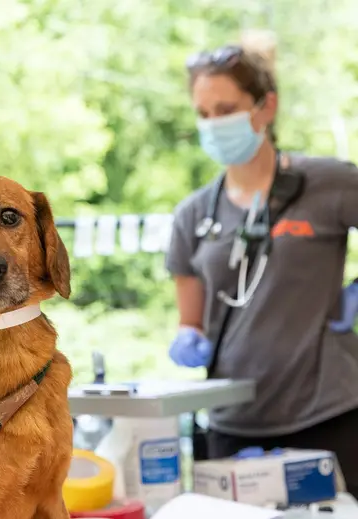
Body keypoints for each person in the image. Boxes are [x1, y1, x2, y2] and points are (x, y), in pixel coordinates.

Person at [165, 32, 358, 494]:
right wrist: (188, 338)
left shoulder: (327, 184)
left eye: (227, 110)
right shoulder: (193, 215)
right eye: (204, 114)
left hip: (327, 415)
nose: (214, 125)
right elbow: (190, 321)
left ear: (265, 108)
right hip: (234, 424)